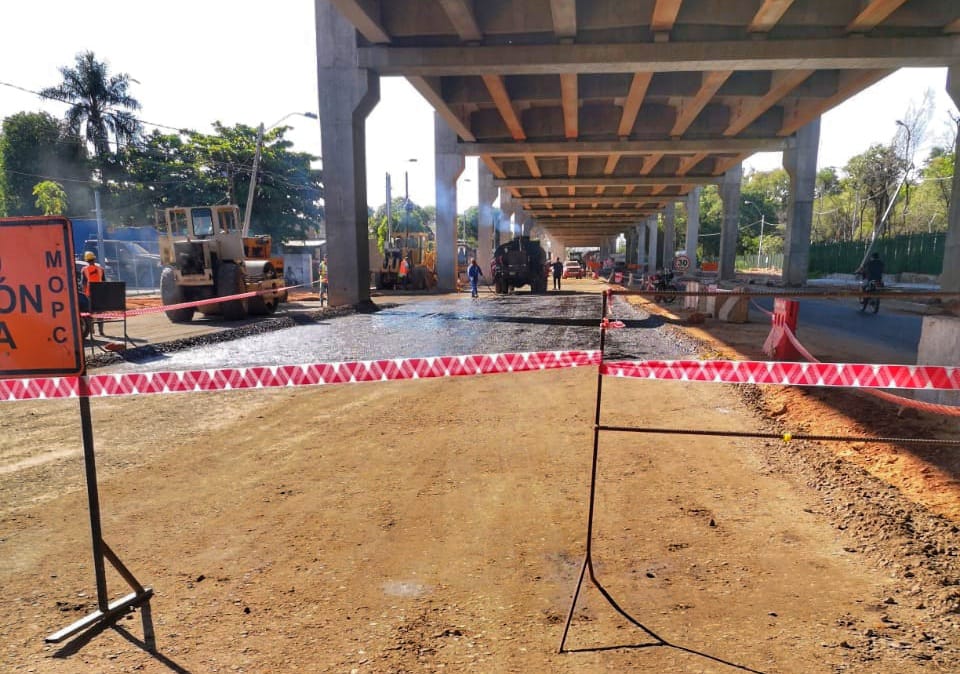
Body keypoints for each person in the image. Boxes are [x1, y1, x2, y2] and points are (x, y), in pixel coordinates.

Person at [81, 251, 106, 335]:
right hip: (99, 294)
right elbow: (104, 282)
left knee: (90, 313)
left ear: (86, 260)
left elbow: (83, 283)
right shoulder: (101, 269)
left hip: (89, 294)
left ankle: (91, 330)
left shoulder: (84, 270)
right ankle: (101, 331)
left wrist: (83, 293)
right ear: (94, 259)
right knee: (100, 313)